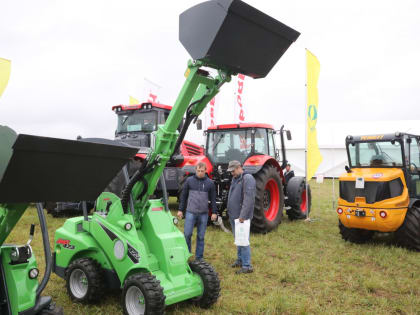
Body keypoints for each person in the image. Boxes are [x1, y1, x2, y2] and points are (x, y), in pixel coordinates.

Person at [178, 162, 218, 260]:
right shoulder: (189, 181)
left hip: (203, 214)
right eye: (198, 171)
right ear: (195, 170)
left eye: (202, 171)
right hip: (190, 212)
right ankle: (187, 254)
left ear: (205, 171)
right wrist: (180, 210)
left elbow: (213, 199)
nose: (200, 173)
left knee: (201, 236)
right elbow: (183, 196)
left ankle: (199, 257)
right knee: (187, 234)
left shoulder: (210, 183)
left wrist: (214, 212)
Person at [226, 160, 256, 274]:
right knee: (238, 239)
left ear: (239, 168)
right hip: (234, 216)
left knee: (243, 240)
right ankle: (240, 260)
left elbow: (249, 199)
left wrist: (243, 216)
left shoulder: (247, 179)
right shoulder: (235, 179)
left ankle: (247, 265)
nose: (231, 173)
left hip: (241, 217)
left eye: (233, 171)